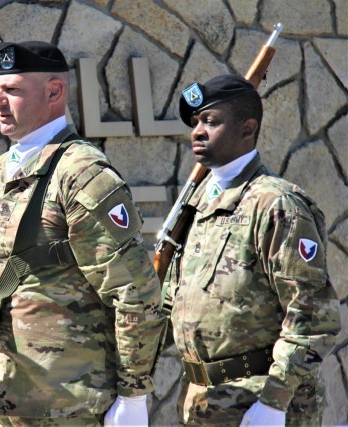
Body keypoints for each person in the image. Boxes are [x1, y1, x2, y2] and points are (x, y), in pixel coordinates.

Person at [0, 41, 165, 426]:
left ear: (54, 92)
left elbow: (135, 292)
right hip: (12, 400)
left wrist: (133, 396)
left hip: (73, 406)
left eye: (12, 91)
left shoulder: (82, 174)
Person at [165, 74, 341, 426]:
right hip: (202, 400)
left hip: (261, 400)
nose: (197, 131)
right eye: (195, 122)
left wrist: (274, 402)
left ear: (247, 130)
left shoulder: (277, 204)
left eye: (211, 121)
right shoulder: (197, 203)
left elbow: (311, 312)